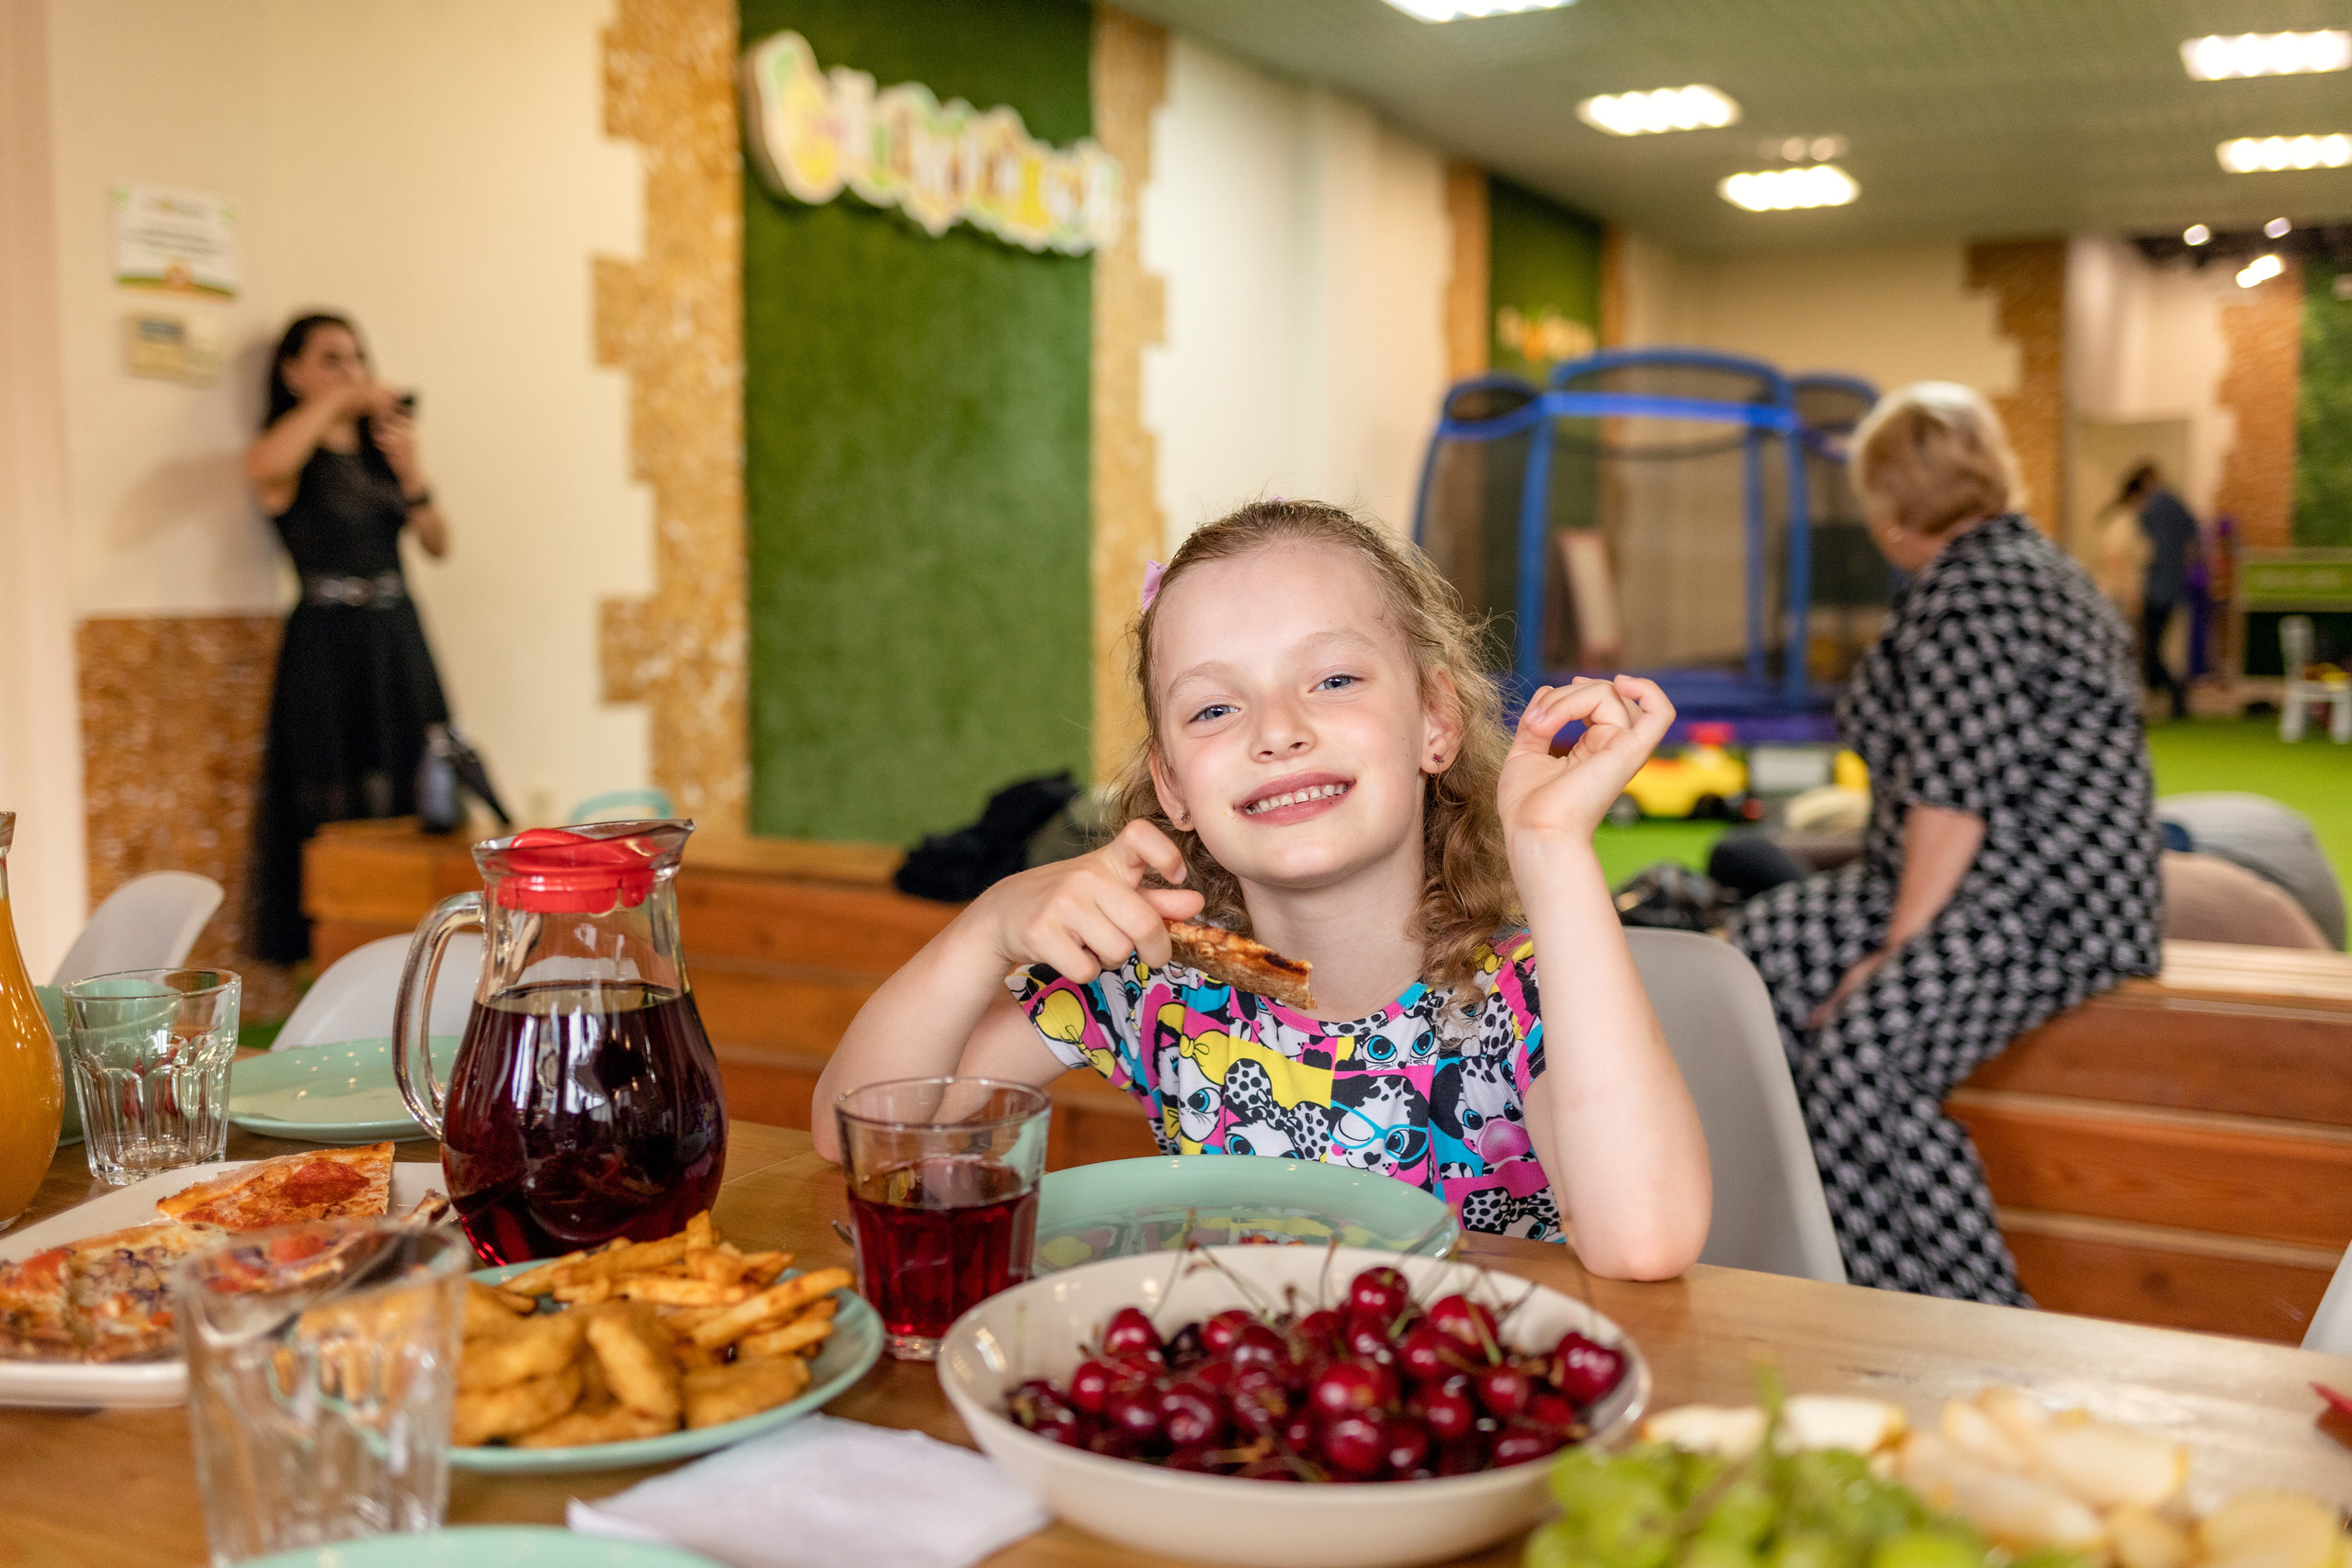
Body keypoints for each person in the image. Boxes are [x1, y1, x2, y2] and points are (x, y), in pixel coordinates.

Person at [812, 501, 1712, 1279]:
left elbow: (1640, 1242)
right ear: (1171, 785)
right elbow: (858, 1132)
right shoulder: (1155, 981)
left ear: (1435, 721)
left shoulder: (1523, 986)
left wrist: (1550, 848)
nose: (1277, 731)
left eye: (1333, 680)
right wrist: (980, 931)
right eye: (1214, 707)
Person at [1731, 384, 2163, 1306]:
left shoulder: (1978, 592)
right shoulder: (2010, 567)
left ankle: (1964, 1313)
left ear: (1888, 507)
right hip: (1981, 885)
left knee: (1865, 1062)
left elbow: (1954, 800)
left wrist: (1895, 954)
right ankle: (1807, 1245)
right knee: (1756, 957)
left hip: (2037, 908)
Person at [245, 312, 454, 963]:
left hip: (395, 636)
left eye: (356, 357)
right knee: (327, 786)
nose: (351, 370)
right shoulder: (290, 454)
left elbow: (439, 543)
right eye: (331, 358)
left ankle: (410, 942)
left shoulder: (378, 451)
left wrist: (413, 472)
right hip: (327, 642)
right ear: (293, 371)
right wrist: (336, 399)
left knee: (414, 780)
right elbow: (262, 468)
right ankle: (330, 951)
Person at [2118, 464, 2200, 720]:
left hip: (2153, 591)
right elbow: (2193, 539)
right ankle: (2172, 697)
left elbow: (2139, 553)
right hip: (2171, 589)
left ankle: (2174, 694)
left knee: (2148, 650)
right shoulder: (2174, 504)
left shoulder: (2147, 509)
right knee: (2151, 649)